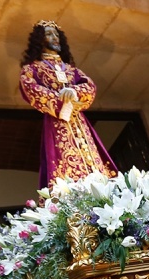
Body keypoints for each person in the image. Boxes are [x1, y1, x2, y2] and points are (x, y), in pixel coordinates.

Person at [19, 20, 118, 189]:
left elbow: (90, 86)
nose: (54, 37)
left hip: (80, 123)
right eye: (49, 34)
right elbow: (31, 88)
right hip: (57, 123)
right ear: (40, 40)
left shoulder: (71, 70)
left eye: (56, 34)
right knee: (65, 164)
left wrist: (75, 92)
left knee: (94, 161)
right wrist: (60, 100)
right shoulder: (32, 69)